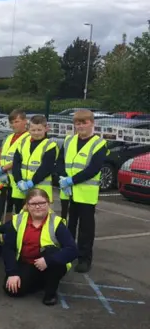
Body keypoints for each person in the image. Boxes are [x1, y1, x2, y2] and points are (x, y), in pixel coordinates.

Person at [3, 189, 78, 305]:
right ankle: (41, 281)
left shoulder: (56, 223)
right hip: (27, 263)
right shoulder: (18, 220)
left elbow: (72, 250)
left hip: (51, 263)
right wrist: (12, 273)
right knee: (12, 290)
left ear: (48, 203)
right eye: (33, 204)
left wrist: (48, 260)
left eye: (42, 203)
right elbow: (8, 248)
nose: (38, 207)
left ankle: (51, 293)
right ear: (27, 206)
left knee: (51, 251)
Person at [57, 109, 107, 273]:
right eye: (77, 123)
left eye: (84, 123)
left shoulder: (99, 144)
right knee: (68, 225)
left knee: (86, 229)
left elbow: (93, 169)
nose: (80, 126)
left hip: (86, 194)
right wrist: (63, 178)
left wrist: (71, 180)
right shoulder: (68, 141)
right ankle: (68, 254)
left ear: (92, 123)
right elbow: (60, 163)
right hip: (67, 192)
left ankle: (85, 259)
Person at [12, 115, 58, 211]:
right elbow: (16, 164)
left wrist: (31, 183)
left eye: (39, 130)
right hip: (20, 189)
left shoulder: (50, 146)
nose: (36, 133)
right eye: (33, 130)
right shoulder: (22, 143)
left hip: (40, 191)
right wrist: (18, 180)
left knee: (38, 218)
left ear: (46, 129)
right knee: (20, 218)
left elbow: (46, 168)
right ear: (28, 129)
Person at [0, 109, 29, 220]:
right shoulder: (8, 137)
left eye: (17, 121)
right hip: (4, 179)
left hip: (16, 180)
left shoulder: (28, 138)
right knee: (4, 208)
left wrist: (3, 168)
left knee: (18, 209)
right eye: (12, 122)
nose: (14, 125)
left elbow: (22, 159)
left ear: (25, 121)